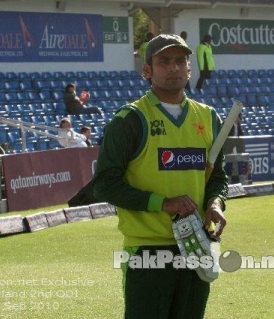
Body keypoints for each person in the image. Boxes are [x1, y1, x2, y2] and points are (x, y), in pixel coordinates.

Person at [92, 33, 228, 318]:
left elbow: (217, 176)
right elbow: (104, 185)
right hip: (147, 252)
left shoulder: (209, 117)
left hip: (196, 247)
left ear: (190, 68)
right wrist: (163, 203)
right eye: (164, 61)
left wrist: (215, 203)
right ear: (147, 70)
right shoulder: (129, 119)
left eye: (181, 60)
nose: (174, 67)